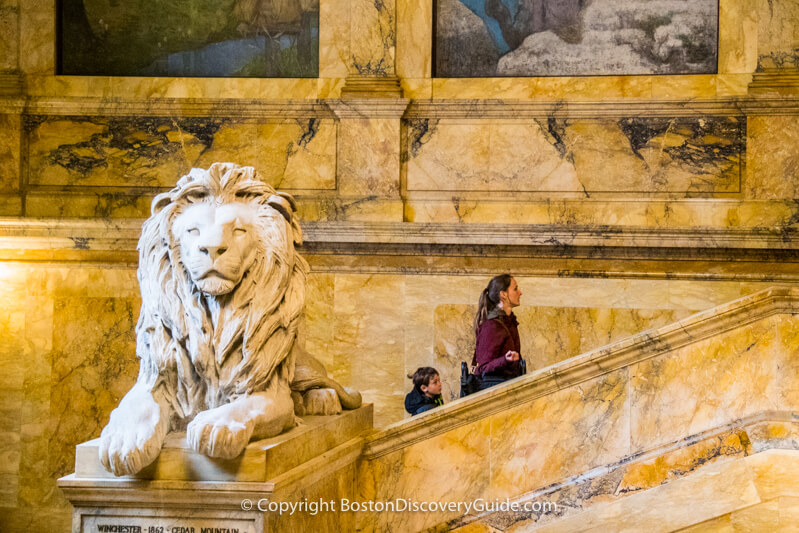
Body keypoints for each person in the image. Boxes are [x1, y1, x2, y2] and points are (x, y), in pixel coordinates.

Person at [472, 274, 524, 390]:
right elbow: (482, 368)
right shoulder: (492, 326)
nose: (520, 293)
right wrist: (505, 360)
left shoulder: (509, 322)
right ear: (503, 294)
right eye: (515, 289)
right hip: (495, 394)